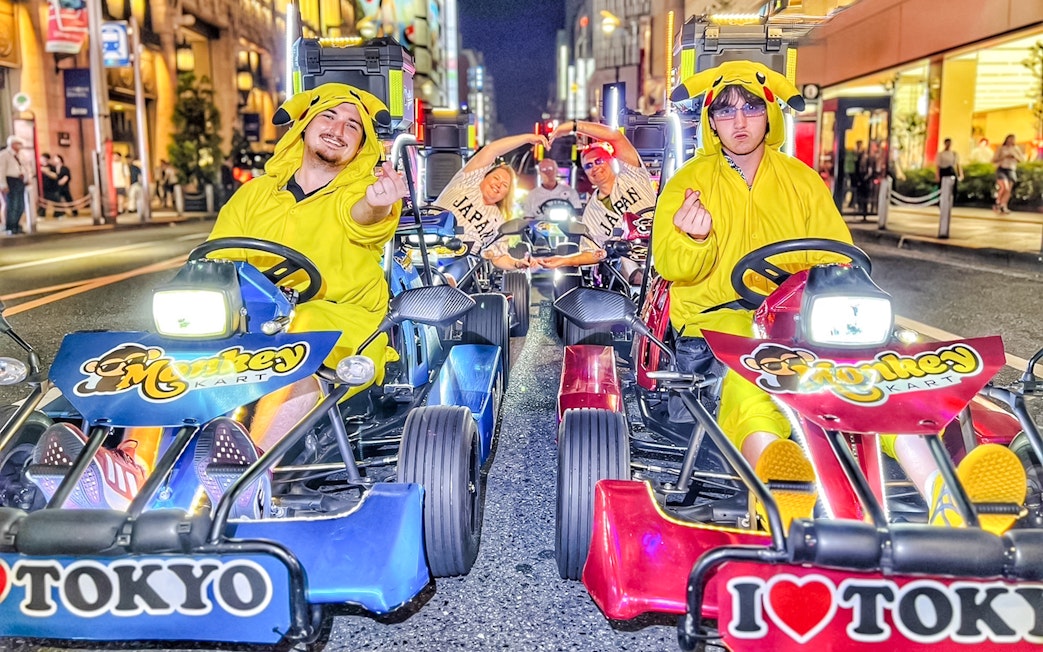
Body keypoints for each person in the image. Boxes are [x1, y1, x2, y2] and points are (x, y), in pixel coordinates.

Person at [653, 60, 1022, 534]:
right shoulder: (689, 182)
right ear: (710, 121)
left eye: (750, 107)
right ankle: (779, 483)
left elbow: (839, 256)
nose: (739, 121)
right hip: (718, 317)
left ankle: (948, 499)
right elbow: (671, 265)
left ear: (769, 113)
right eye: (725, 111)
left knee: (879, 373)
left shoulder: (802, 181)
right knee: (754, 377)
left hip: (798, 314)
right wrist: (692, 240)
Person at [31, 83, 408, 516]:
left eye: (352, 126)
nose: (338, 130)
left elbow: (366, 221)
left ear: (360, 145)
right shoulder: (254, 195)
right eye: (329, 117)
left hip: (338, 318)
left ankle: (254, 473)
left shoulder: (363, 193)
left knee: (305, 331)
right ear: (305, 125)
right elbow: (218, 257)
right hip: (251, 314)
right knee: (169, 335)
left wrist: (378, 205)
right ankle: (129, 468)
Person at [537, 120, 658, 284]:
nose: (594, 167)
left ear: (611, 160)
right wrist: (563, 260)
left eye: (599, 161)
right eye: (588, 166)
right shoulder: (592, 211)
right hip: (630, 266)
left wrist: (574, 126)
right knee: (621, 258)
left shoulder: (632, 175)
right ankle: (645, 287)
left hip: (660, 242)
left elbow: (616, 137)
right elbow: (592, 252)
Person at [433, 132, 547, 279]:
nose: (498, 184)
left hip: (461, 257)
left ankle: (444, 293)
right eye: (496, 178)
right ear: (484, 176)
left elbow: (498, 257)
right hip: (429, 238)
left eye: (505, 185)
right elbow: (490, 150)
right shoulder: (467, 183)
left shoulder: (498, 220)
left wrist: (518, 263)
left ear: (507, 194)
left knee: (457, 267)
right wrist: (527, 139)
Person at [0, 135, 29, 235]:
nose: (20, 146)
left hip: (19, 180)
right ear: (13, 144)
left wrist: (26, 178)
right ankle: (10, 226)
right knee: (12, 204)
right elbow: (1, 170)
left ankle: (17, 224)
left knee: (21, 204)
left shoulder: (20, 155)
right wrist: (3, 184)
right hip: (10, 180)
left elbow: (25, 167)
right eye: (18, 144)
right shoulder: (4, 154)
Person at [992, 133, 1024, 214]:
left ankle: (1003, 205)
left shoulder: (1016, 149)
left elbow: (1021, 159)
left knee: (1008, 189)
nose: (1011, 141)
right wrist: (1004, 157)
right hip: (1002, 168)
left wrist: (1014, 156)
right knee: (1004, 187)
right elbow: (994, 159)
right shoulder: (1001, 148)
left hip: (1011, 169)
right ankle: (998, 202)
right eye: (1009, 139)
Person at [38, 153, 60, 218]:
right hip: (42, 188)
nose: (43, 160)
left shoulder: (52, 167)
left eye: (45, 159)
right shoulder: (38, 167)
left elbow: (56, 176)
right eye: (42, 159)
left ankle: (58, 214)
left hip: (52, 188)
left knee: (56, 201)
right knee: (42, 203)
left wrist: (47, 172)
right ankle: (41, 215)